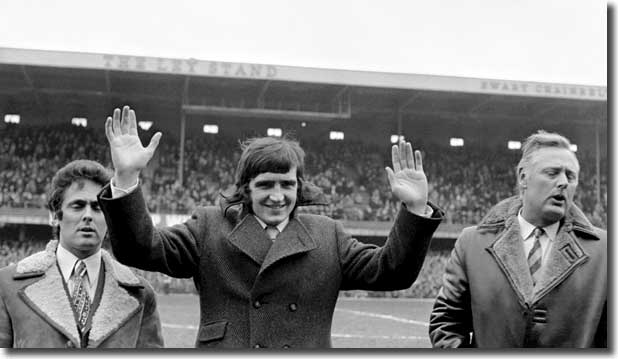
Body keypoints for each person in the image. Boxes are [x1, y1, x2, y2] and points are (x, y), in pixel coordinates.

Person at [98, 105, 444, 348]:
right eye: (265, 185)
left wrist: (414, 208)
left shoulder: (327, 235)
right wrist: (127, 177)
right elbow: (138, 248)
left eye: (286, 184)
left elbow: (393, 272)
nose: (277, 196)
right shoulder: (209, 226)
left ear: (299, 187)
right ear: (246, 188)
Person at [429, 130, 606, 348]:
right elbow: (447, 322)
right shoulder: (472, 243)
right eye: (552, 173)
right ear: (523, 177)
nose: (563, 182)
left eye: (570, 176)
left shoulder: (606, 251)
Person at [0, 160, 164, 348]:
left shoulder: (141, 294)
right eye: (77, 206)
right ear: (55, 215)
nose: (88, 215)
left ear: (109, 217)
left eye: (97, 208)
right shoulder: (6, 285)